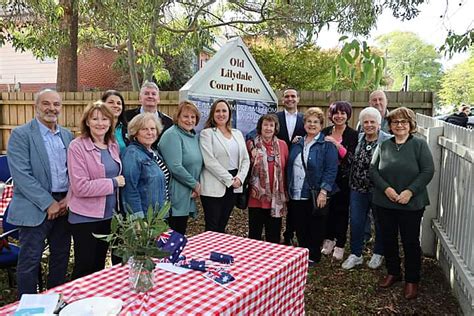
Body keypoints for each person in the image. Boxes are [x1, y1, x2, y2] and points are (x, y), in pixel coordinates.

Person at [7, 89, 73, 296]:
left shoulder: (67, 135)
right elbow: (21, 175)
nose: (51, 108)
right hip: (34, 206)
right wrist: (48, 203)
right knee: (30, 260)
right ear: (36, 106)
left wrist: (68, 198)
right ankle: (28, 306)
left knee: (61, 257)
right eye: (46, 103)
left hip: (64, 205)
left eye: (56, 104)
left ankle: (54, 300)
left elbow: (74, 170)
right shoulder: (21, 134)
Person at [370, 107, 434, 299]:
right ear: (390, 125)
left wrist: (409, 191)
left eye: (403, 122)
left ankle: (412, 280)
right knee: (388, 239)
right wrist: (387, 189)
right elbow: (373, 170)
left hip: (411, 203)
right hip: (384, 202)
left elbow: (427, 171)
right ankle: (393, 273)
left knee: (410, 242)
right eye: (395, 122)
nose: (399, 125)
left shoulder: (420, 145)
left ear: (411, 125)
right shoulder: (384, 145)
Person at [67, 101, 124, 279]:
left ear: (110, 122)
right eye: (95, 119)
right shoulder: (77, 147)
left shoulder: (112, 145)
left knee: (99, 267)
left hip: (109, 216)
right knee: (85, 268)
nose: (100, 123)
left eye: (105, 119)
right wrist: (113, 182)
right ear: (87, 122)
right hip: (85, 218)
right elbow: (80, 187)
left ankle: (95, 305)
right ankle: (75, 303)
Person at [342, 107, 392, 270]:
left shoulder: (387, 140)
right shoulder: (359, 138)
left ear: (379, 124)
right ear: (361, 124)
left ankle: (378, 253)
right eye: (366, 122)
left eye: (372, 122)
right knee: (356, 221)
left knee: (380, 222)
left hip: (378, 190)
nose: (369, 125)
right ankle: (356, 254)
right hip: (357, 188)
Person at [287, 107, 338, 265]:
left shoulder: (327, 144)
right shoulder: (297, 143)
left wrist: (324, 191)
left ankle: (314, 256)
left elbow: (331, 170)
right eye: (309, 121)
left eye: (316, 122)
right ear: (304, 124)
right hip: (296, 191)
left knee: (315, 226)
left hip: (315, 192)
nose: (312, 124)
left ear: (321, 125)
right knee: (300, 224)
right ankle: (303, 254)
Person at [200, 99, 250, 233]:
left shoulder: (237, 133)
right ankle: (208, 252)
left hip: (235, 184)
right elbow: (209, 161)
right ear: (212, 114)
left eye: (224, 111)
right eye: (217, 111)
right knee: (212, 227)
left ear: (229, 114)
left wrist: (240, 178)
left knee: (223, 224)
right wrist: (229, 180)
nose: (221, 114)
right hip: (214, 184)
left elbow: (245, 159)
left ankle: (219, 253)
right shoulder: (207, 134)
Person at [321, 101, 358, 260]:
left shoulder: (353, 134)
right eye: (336, 113)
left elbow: (351, 159)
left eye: (343, 113)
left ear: (347, 115)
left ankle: (340, 244)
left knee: (341, 211)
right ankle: (328, 240)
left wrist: (336, 144)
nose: (339, 116)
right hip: (327, 177)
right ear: (331, 115)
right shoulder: (325, 131)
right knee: (327, 211)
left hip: (344, 179)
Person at [159, 101, 203, 235]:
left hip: (186, 193)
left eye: (193, 117)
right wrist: (195, 184)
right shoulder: (172, 135)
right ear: (177, 117)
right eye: (186, 116)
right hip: (174, 195)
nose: (189, 120)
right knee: (172, 238)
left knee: (179, 236)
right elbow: (175, 166)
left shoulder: (193, 136)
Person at [246, 114, 289, 244]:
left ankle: (272, 261)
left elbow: (286, 168)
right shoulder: (251, 144)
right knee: (254, 235)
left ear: (275, 128)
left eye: (271, 125)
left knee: (274, 235)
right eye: (265, 124)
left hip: (276, 199)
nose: (268, 128)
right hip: (256, 198)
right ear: (260, 127)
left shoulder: (282, 145)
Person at [122, 113, 170, 218]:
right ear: (135, 133)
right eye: (144, 129)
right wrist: (137, 218)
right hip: (144, 220)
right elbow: (130, 189)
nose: (150, 133)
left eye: (153, 129)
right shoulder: (132, 154)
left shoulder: (154, 152)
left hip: (158, 216)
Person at [277, 88, 306, 246]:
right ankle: (274, 232)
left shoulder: (304, 119)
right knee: (278, 200)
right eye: (287, 96)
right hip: (278, 166)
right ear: (283, 100)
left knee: (294, 203)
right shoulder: (275, 117)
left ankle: (289, 233)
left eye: (293, 96)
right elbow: (258, 132)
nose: (290, 99)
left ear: (298, 99)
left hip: (297, 168)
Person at [124, 81, 173, 146]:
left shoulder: (169, 122)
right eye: (146, 93)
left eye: (153, 94)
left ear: (158, 99)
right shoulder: (126, 117)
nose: (150, 96)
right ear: (140, 98)